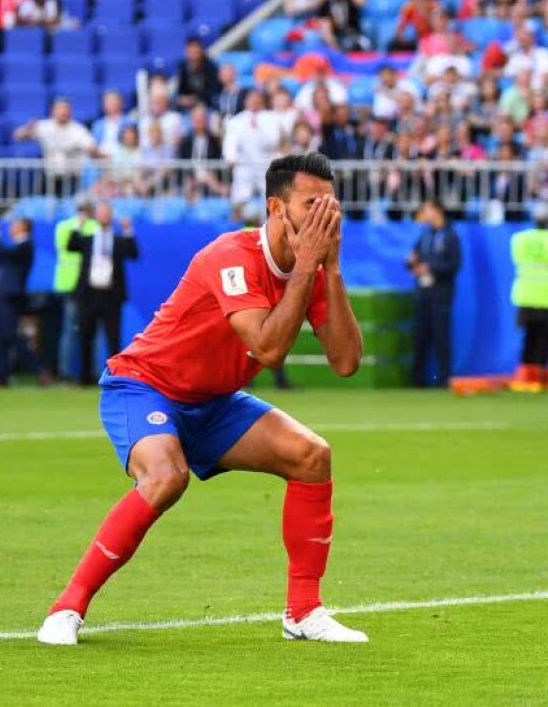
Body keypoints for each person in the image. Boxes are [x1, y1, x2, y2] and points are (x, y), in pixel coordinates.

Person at [37, 153, 365, 646]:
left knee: (312, 455)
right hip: (144, 384)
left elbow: (345, 362)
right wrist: (307, 272)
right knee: (167, 477)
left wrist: (331, 268)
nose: (325, 216)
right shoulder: (230, 255)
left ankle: (304, 612)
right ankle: (67, 608)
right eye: (312, 204)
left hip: (213, 401)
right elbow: (268, 349)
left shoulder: (313, 272)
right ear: (277, 208)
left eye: (331, 205)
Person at [66, 201, 139, 386]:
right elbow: (70, 245)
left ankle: (114, 377)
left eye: (108, 213)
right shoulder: (89, 239)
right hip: (89, 294)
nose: (105, 217)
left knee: (113, 337)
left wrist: (128, 230)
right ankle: (84, 378)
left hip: (111, 296)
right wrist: (79, 224)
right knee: (85, 336)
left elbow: (134, 253)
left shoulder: (119, 240)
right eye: (101, 213)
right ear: (96, 216)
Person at [407, 199, 461, 388]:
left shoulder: (450, 236)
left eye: (427, 209)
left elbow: (454, 265)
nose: (424, 214)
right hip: (423, 293)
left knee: (441, 337)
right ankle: (417, 380)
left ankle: (444, 379)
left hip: (441, 294)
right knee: (420, 336)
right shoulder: (426, 234)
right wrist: (411, 262)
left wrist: (430, 268)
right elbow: (413, 257)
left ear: (438, 211)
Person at [510, 205, 548, 391]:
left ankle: (526, 377)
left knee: (529, 338)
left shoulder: (520, 239)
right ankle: (539, 377)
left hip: (525, 296)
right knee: (544, 339)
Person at [0, 216, 34, 386]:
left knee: (10, 335)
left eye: (15, 224)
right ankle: (1, 375)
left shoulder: (26, 246)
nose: (12, 228)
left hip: (11, 296)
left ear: (24, 227)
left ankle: (38, 368)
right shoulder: (12, 246)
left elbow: (4, 253)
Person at [51, 201, 98, 380]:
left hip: (87, 285)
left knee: (86, 330)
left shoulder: (92, 227)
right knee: (71, 330)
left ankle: (87, 372)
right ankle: (65, 372)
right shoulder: (65, 227)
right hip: (71, 285)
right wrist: (78, 227)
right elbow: (65, 247)